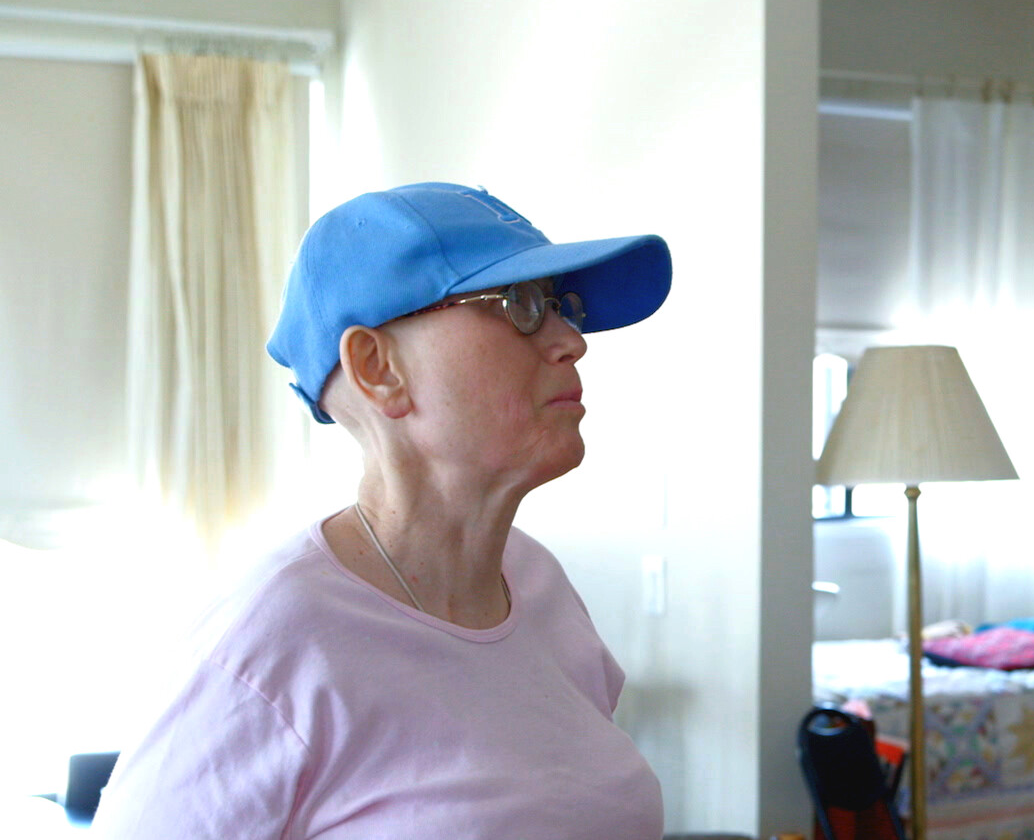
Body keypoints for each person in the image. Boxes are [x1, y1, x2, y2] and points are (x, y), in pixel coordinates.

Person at [91, 182, 674, 838]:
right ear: (377, 368)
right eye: (521, 305)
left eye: (561, 306)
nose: (572, 340)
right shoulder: (266, 647)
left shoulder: (541, 588)